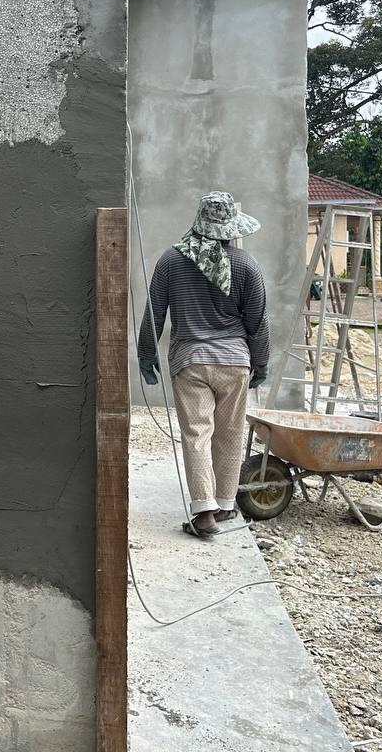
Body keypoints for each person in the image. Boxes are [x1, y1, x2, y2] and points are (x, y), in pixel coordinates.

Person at [137, 191, 269, 539]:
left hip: (191, 361)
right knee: (230, 433)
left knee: (197, 433)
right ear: (230, 228)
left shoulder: (171, 261)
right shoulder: (247, 265)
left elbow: (154, 314)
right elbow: (258, 322)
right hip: (235, 363)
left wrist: (146, 355)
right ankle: (225, 504)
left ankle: (205, 513)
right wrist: (261, 363)